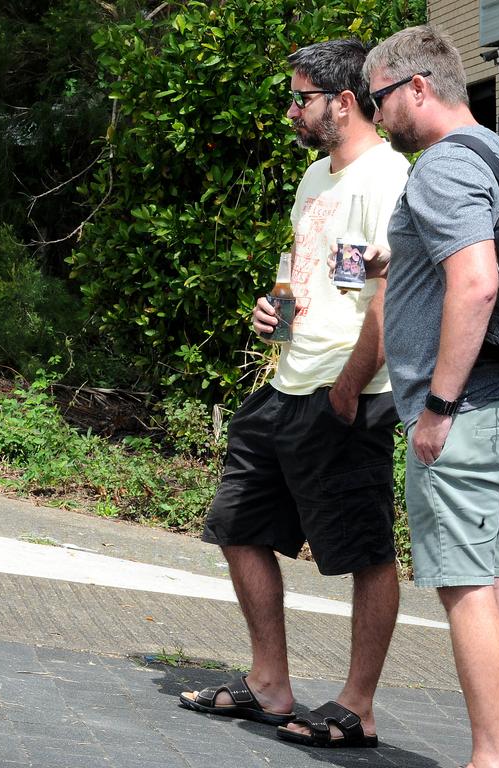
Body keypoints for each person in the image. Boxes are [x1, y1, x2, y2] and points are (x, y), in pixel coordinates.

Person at [178, 39, 409, 749]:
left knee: (364, 551)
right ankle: (270, 685)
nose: (290, 111)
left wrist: (348, 391)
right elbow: (305, 269)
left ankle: (357, 706)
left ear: (343, 102)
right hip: (286, 379)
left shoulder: (388, 178)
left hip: (348, 388)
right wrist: (271, 309)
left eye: (300, 98)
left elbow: (389, 296)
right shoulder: (317, 177)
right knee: (237, 524)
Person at [364, 25, 499, 768]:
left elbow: (475, 283)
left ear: (418, 86)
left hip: (468, 414)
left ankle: (488, 760)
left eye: (381, 97)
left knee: (469, 592)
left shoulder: (442, 166)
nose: (378, 115)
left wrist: (438, 408)